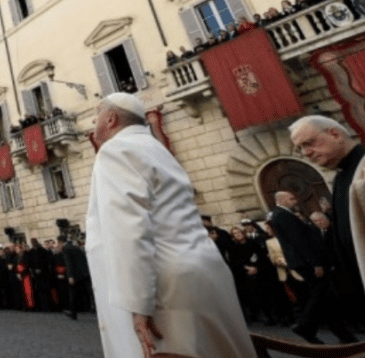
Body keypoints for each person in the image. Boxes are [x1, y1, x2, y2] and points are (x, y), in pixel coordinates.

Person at [86, 92, 256, 358]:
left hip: (163, 287)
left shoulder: (115, 151)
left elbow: (129, 229)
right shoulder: (157, 148)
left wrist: (138, 302)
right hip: (200, 268)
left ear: (110, 119)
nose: (92, 123)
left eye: (96, 116)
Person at [289, 115, 365, 306]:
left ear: (335, 134)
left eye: (308, 143)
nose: (306, 153)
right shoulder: (340, 177)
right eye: (300, 149)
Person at [269, 190, 356, 344]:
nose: (294, 199)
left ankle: (344, 335)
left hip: (303, 261)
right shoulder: (283, 215)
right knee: (319, 294)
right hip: (307, 262)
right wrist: (315, 263)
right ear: (281, 200)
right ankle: (304, 325)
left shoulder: (280, 214)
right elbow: (299, 241)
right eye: (291, 197)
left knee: (324, 298)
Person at [57, 236, 91, 320]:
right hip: (84, 273)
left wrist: (70, 276)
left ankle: (73, 313)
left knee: (72, 294)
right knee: (88, 292)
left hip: (76, 275)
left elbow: (69, 263)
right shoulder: (74, 247)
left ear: (60, 242)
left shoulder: (66, 249)